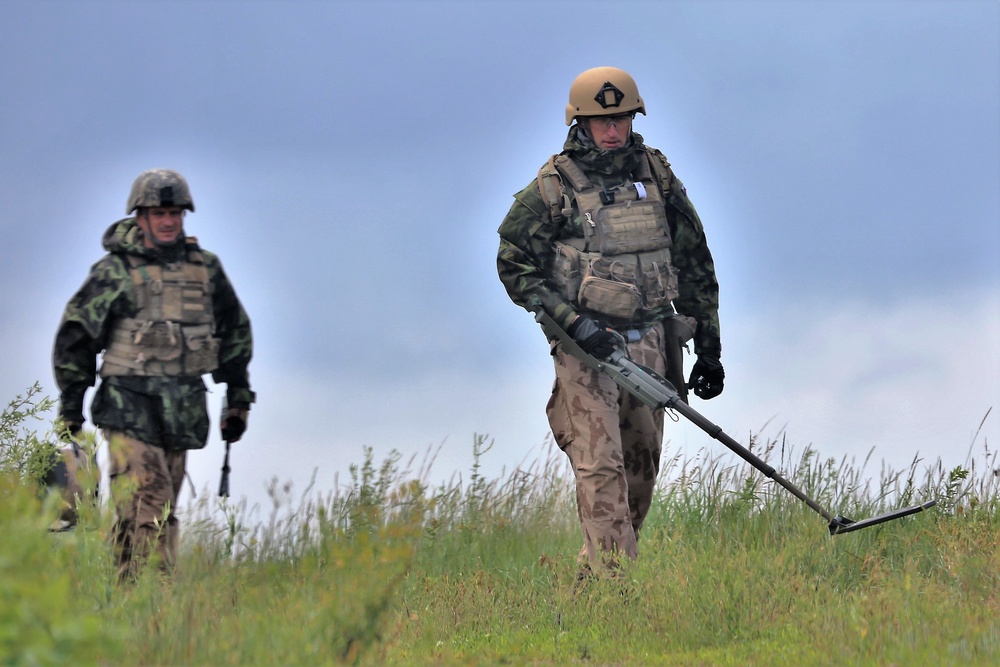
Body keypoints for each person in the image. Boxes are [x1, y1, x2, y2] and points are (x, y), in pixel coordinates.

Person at [497, 67, 724, 577]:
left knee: (639, 478)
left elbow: (695, 261)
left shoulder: (657, 176)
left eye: (621, 117)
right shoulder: (552, 187)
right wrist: (571, 324)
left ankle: (588, 589)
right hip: (585, 354)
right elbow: (514, 264)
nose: (613, 129)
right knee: (601, 473)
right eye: (602, 120)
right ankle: (615, 596)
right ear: (580, 122)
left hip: (649, 345)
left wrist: (709, 347)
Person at [52, 168, 255, 581]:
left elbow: (233, 332)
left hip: (181, 411)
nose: (168, 221)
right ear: (139, 216)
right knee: (152, 503)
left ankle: (123, 602)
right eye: (159, 212)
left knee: (142, 515)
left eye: (176, 213)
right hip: (127, 407)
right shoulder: (114, 272)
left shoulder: (206, 270)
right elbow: (76, 335)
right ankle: (156, 602)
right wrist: (71, 403)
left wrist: (237, 398)